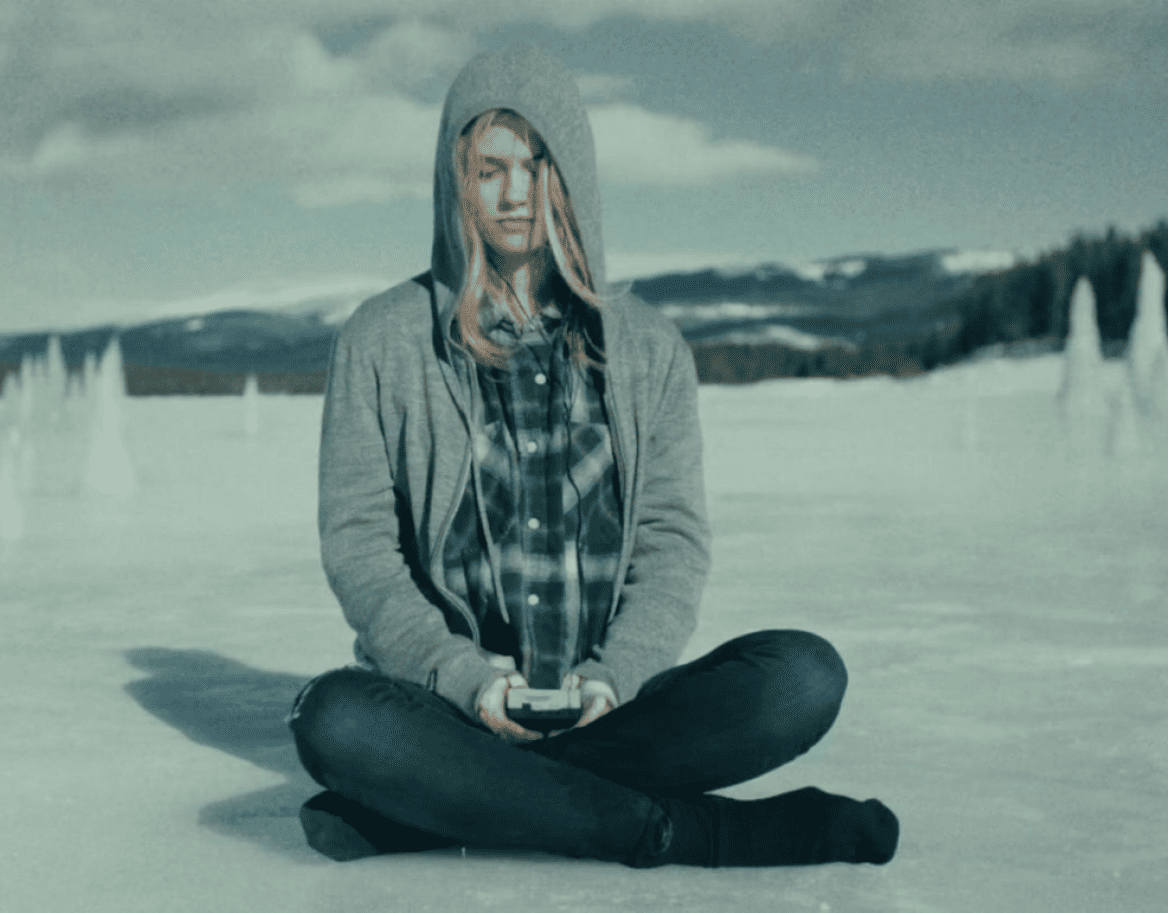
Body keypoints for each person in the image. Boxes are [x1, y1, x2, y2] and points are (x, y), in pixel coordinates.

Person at [287, 44, 900, 869]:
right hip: (452, 708)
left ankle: (438, 807)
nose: (514, 195)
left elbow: (671, 544)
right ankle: (694, 831)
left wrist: (618, 675)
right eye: (488, 169)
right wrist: (463, 677)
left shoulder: (648, 349)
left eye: (536, 167)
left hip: (619, 708)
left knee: (802, 675)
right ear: (454, 182)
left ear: (570, 177)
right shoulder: (382, 340)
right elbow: (360, 547)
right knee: (336, 718)